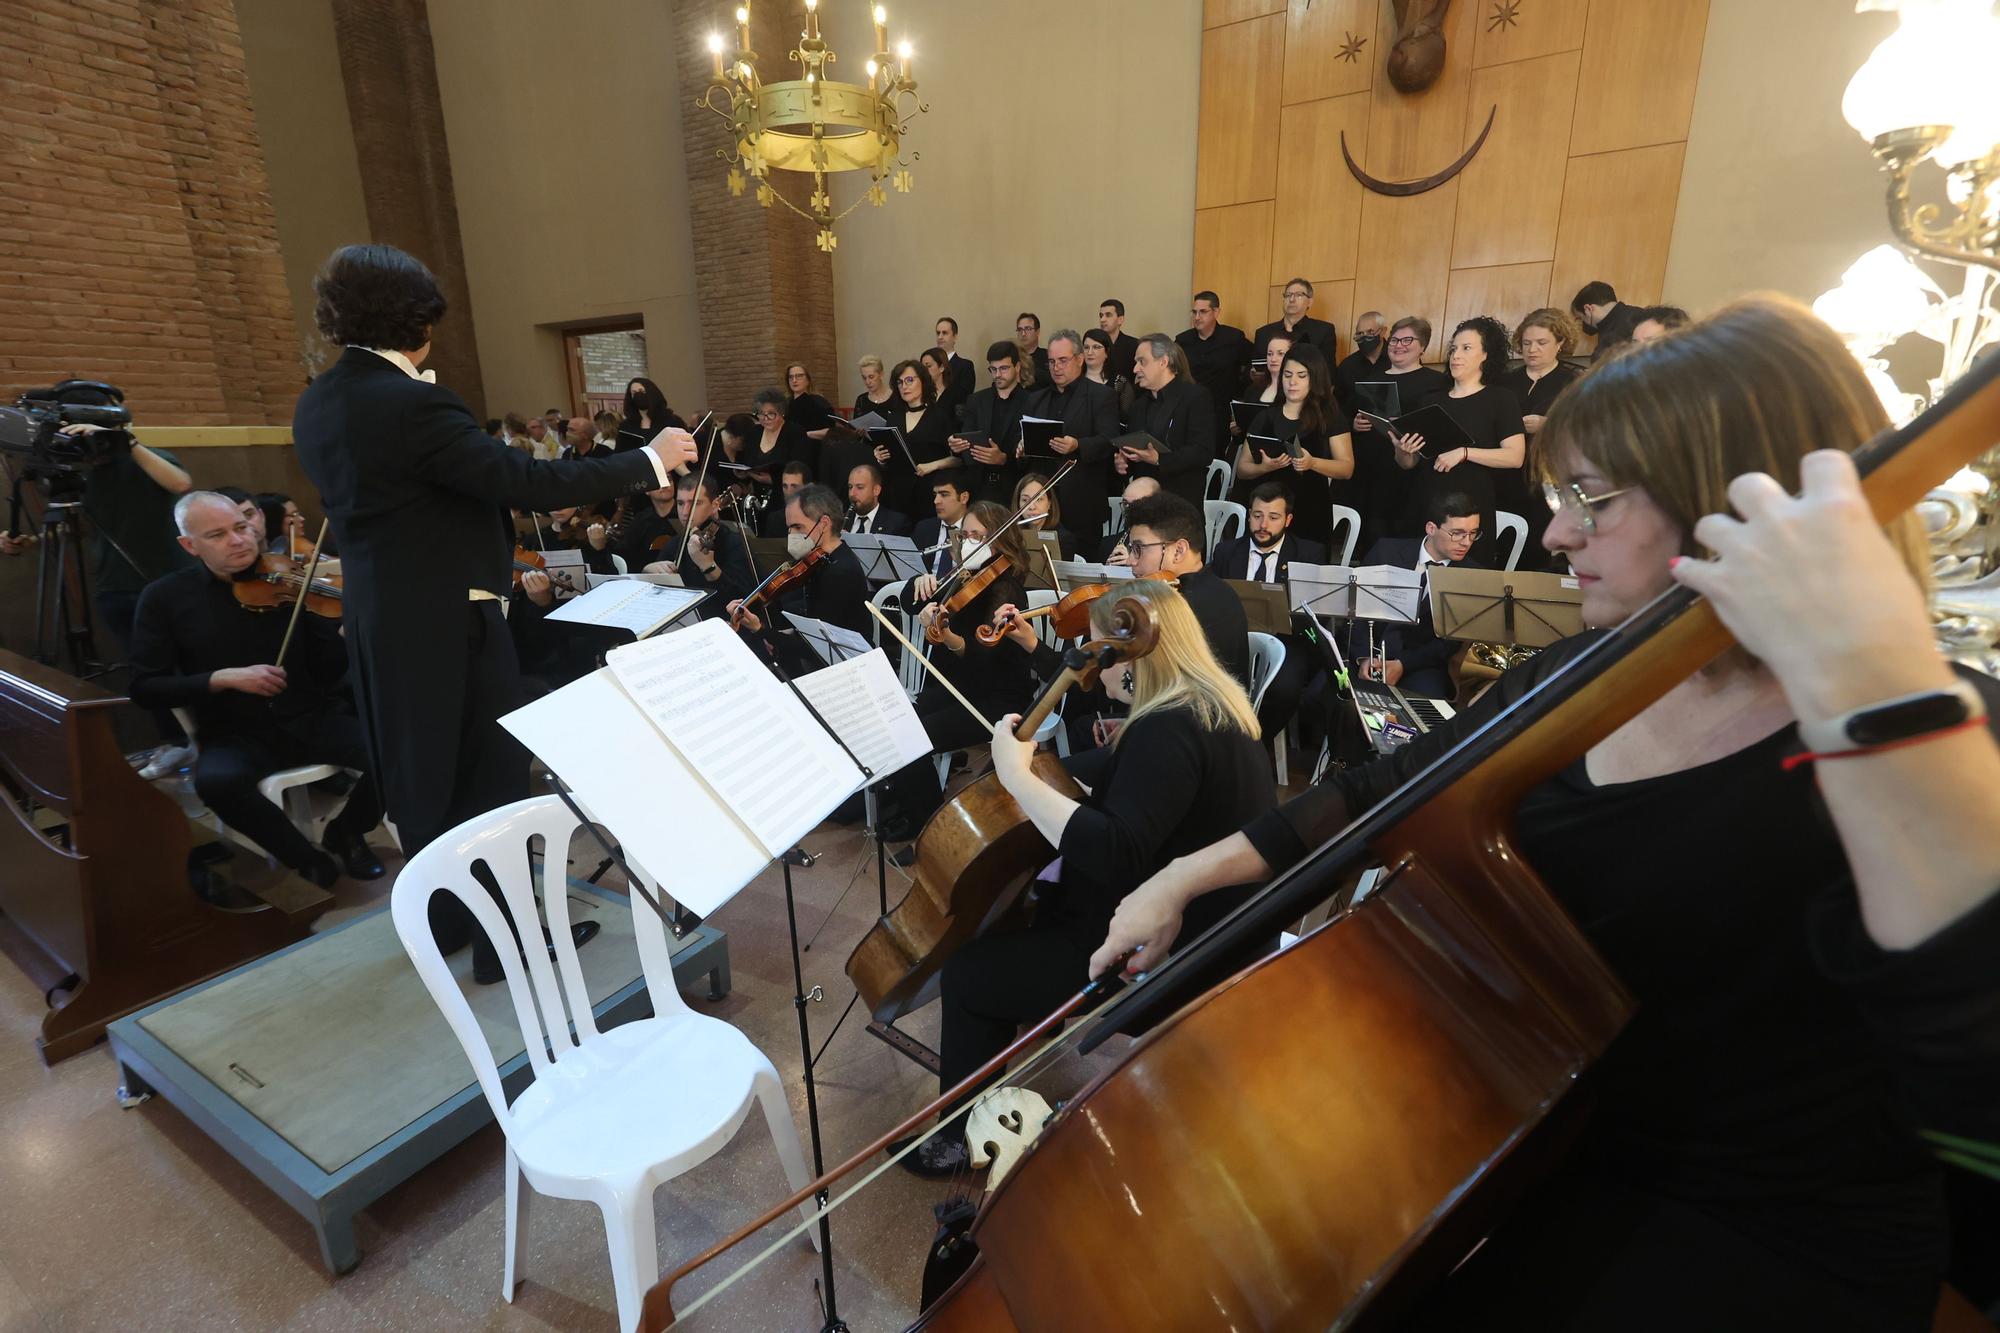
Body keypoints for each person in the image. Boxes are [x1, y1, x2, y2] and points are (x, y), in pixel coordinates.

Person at [1093, 293, 2000, 1332]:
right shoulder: (1589, 667)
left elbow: (1971, 1083)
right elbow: (1381, 787)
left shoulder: (1926, 725)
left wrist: (1860, 683)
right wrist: (1177, 877)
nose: (1557, 530)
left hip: (1766, 1230)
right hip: (1548, 1143)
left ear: (1734, 502)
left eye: (1594, 499)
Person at [292, 243, 696, 982]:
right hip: (452, 623)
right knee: (492, 785)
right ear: (415, 321)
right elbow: (524, 481)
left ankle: (448, 925)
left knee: (422, 780)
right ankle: (505, 945)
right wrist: (650, 459)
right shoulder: (412, 402)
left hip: (382, 620)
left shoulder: (319, 400)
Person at [901, 579, 1276, 1175]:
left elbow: (1117, 854)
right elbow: (1137, 776)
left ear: (1132, 651)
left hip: (1167, 948)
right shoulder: (1208, 700)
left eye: (1096, 650)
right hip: (1222, 926)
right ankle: (990, 1094)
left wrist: (1019, 780)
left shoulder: (1167, 729)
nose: (1092, 670)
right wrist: (1045, 771)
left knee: (973, 973)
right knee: (1023, 924)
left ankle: (959, 1143)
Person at [128, 492, 384, 888]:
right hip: (235, 732)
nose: (238, 540)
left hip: (311, 717)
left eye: (242, 527)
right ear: (189, 545)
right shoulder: (164, 599)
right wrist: (223, 678)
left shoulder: (290, 582)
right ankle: (304, 857)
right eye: (217, 534)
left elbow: (324, 671)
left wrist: (347, 639)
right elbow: (145, 687)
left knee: (396, 753)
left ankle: (347, 831)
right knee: (216, 782)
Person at [874, 501, 1041, 844]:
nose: (967, 542)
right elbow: (909, 602)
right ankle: (911, 811)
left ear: (999, 541)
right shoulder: (962, 575)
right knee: (899, 722)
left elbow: (985, 660)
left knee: (915, 738)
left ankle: (933, 833)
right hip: (959, 687)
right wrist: (919, 585)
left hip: (997, 699)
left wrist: (949, 638)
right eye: (964, 534)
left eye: (978, 536)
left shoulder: (1006, 590)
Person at [1390, 316, 1524, 568]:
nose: (1455, 356)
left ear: (1486, 354)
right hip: (1426, 499)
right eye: (1453, 349)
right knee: (1413, 574)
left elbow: (1515, 457)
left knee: (1466, 582)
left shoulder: (1501, 399)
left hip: (1471, 506)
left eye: (1466, 348)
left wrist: (1464, 452)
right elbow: (1410, 463)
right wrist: (1403, 451)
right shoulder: (1431, 400)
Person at [1209, 480, 1326, 736]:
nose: (1263, 525)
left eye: (1273, 517)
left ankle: (1254, 743)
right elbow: (1211, 599)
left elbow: (1314, 617)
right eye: (1257, 516)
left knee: (1284, 689)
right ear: (1249, 515)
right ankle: (1219, 743)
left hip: (1287, 642)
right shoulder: (1226, 551)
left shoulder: (1308, 554)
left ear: (1288, 520)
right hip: (1233, 639)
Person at [726, 482, 870, 675]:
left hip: (844, 671)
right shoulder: (821, 561)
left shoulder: (839, 572)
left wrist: (760, 629)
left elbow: (817, 648)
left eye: (797, 526)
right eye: (789, 528)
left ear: (824, 523)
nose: (791, 535)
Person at [1356, 490, 1484, 698]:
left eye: (1473, 533)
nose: (1466, 542)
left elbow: (1450, 643)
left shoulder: (1472, 576)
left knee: (1425, 707)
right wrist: (1363, 657)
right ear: (1431, 528)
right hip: (1367, 651)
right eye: (1457, 533)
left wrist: (1403, 664)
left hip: (1422, 664)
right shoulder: (1386, 551)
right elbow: (1356, 609)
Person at [1349, 315, 1450, 555]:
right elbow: (1355, 416)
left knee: (1406, 542)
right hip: (1373, 471)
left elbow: (1438, 427)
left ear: (1423, 347)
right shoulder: (1371, 380)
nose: (1398, 345)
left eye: (1407, 340)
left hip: (1413, 472)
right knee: (1371, 541)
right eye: (1394, 340)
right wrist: (1355, 424)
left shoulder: (1437, 382)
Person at [1123, 492, 1247, 685]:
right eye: (1131, 549)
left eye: (1139, 549)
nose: (1131, 560)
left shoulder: (1182, 605)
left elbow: (1156, 683)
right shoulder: (1218, 589)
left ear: (1179, 551)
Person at [1239, 344, 1354, 550]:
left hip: (1312, 508)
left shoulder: (1330, 416)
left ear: (1315, 378)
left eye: (1302, 376)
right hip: (1268, 511)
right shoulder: (1265, 417)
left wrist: (1312, 463)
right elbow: (1242, 469)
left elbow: (1346, 468)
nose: (1292, 382)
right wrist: (1263, 468)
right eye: (1287, 375)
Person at [1504, 307, 1584, 566]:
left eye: (1541, 343)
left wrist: (1548, 425)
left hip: (1548, 477)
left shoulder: (1573, 380)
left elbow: (1587, 428)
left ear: (1560, 343)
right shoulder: (1507, 381)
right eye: (1526, 343)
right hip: (1506, 474)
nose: (1532, 349)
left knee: (1537, 549)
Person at [1032, 328, 1122, 541]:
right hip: (1043, 502)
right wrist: (1022, 444)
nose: (1056, 367)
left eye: (1063, 360)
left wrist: (1078, 445)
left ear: (1080, 359)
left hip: (1083, 502)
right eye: (1051, 362)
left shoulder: (1101, 396)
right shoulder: (1036, 398)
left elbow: (1109, 439)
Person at [1119, 333, 1217, 507]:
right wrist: (1123, 463)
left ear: (1163, 362)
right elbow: (1135, 454)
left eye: (1142, 361)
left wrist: (1159, 459)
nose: (1135, 369)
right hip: (1144, 505)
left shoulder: (1195, 397)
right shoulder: (1138, 406)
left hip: (1180, 502)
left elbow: (1203, 451)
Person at [954, 341, 1036, 504]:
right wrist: (957, 446)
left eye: (1003, 368)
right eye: (993, 369)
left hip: (1014, 489)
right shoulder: (976, 400)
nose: (998, 374)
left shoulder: (1032, 402)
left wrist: (1004, 459)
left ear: (1017, 367)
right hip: (979, 487)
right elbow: (967, 440)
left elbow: (1032, 453)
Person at [1176, 290, 1252, 441]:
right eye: (1194, 312)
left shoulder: (1233, 338)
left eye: (1203, 312)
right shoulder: (1182, 340)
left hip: (1221, 413)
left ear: (1216, 312)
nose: (1197, 317)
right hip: (1189, 411)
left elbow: (1252, 363)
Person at [1253, 277, 1339, 357]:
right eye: (1288, 295)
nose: (1291, 299)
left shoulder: (1323, 331)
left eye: (1298, 295)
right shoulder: (1263, 333)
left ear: (1309, 302)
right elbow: (1255, 370)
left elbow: (1327, 371)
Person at [747, 386, 815, 487]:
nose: (766, 419)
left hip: (786, 492)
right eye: (761, 414)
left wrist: (773, 480)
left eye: (771, 414)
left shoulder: (795, 432)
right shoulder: (755, 432)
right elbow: (748, 461)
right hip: (758, 492)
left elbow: (801, 468)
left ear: (781, 413)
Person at [1011, 471, 1075, 571]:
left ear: (1049, 503)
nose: (1031, 507)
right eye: (1025, 500)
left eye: (1039, 499)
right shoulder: (1011, 535)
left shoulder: (1064, 539)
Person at [913, 474, 972, 581]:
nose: (936, 501)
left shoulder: (975, 530)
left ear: (964, 498)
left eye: (944, 495)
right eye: (935, 495)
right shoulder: (924, 528)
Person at [1571, 279, 1646, 361]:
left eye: (1581, 318)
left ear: (1588, 309)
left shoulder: (1615, 333)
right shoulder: (1641, 314)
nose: (1583, 324)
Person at [1333, 308, 1390, 411]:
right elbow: (1337, 405)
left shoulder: (1399, 360)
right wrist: (1351, 423)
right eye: (1360, 333)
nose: (1364, 337)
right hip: (1354, 425)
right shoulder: (1347, 366)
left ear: (1383, 331)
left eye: (1370, 332)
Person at [1100, 476, 1160, 565]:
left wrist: (1134, 564)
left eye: (1135, 504)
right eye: (1125, 504)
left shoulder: (1167, 546)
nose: (1128, 510)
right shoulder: (1108, 544)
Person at [845, 461, 911, 536]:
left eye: (860, 487)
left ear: (876, 490)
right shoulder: (838, 522)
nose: (852, 493)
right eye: (850, 487)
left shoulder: (896, 523)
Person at [618, 377, 684, 450]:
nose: (638, 395)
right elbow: (620, 453)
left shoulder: (673, 421)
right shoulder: (625, 426)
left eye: (641, 391)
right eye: (634, 393)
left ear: (651, 393)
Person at [785, 362, 837, 441]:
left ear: (808, 379)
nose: (794, 380)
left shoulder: (818, 402)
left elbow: (832, 430)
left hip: (814, 446)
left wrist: (806, 434)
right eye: (791, 377)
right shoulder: (785, 403)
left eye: (799, 376)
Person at [1098, 297, 1139, 384]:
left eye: (1108, 315)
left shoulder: (1134, 345)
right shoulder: (1094, 345)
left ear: (1120, 320)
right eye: (1101, 316)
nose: (1102, 320)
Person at [935, 316, 976, 400]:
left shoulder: (965, 366)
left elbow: (964, 397)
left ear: (955, 337)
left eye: (945, 333)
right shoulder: (930, 365)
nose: (940, 337)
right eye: (938, 333)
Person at [1014, 312, 1050, 382]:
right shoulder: (1012, 357)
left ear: (1037, 332)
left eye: (1028, 328)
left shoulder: (1048, 356)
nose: (1023, 334)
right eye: (1020, 330)